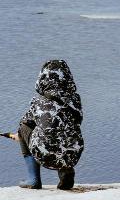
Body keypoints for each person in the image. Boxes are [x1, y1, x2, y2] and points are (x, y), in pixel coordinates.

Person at [8, 59, 84, 190]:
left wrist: (19, 136)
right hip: (73, 154)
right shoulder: (75, 100)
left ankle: (33, 180)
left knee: (23, 128)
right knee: (67, 131)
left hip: (46, 155)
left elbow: (26, 123)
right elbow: (77, 122)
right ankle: (66, 171)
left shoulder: (38, 101)